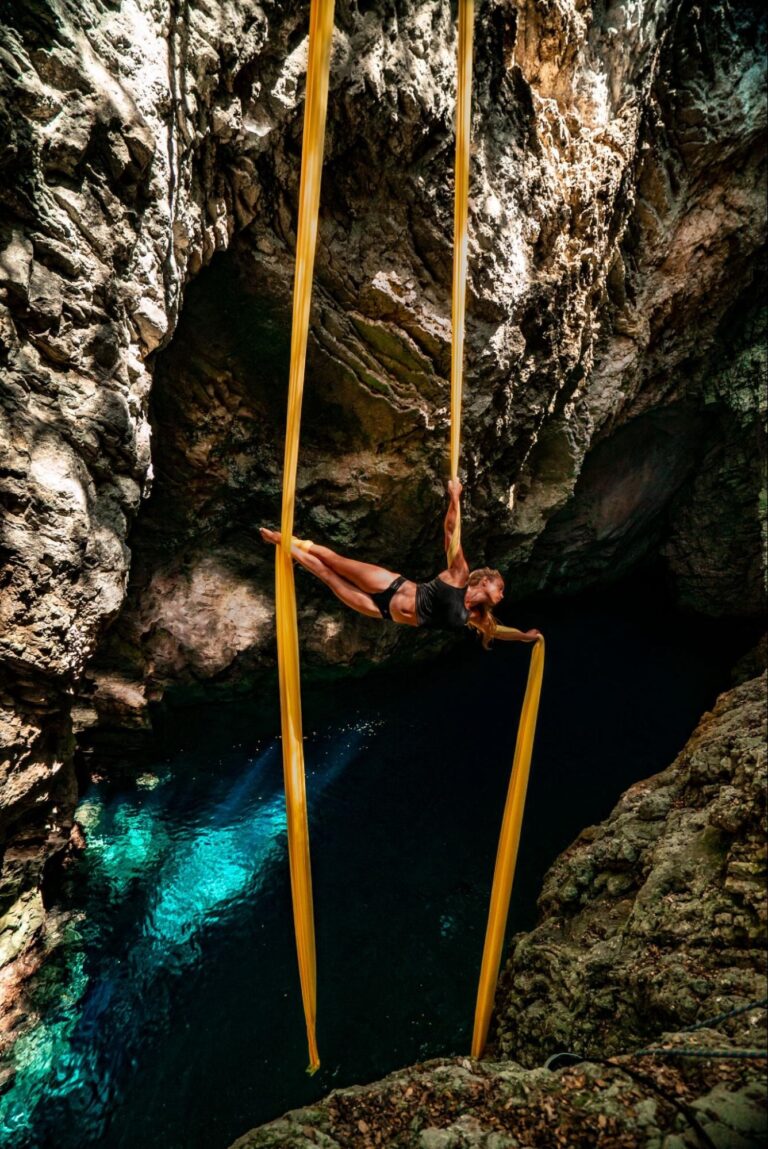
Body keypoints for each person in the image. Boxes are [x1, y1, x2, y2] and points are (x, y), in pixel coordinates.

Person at [260, 480, 541, 648]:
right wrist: (455, 497)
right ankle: (286, 539)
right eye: (500, 588)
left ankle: (283, 544)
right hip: (391, 586)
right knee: (334, 561)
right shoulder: (460, 575)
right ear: (485, 581)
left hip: (382, 611)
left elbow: (498, 632)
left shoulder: (476, 616)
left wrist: (526, 637)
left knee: (327, 576)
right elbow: (451, 532)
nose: (502, 594)